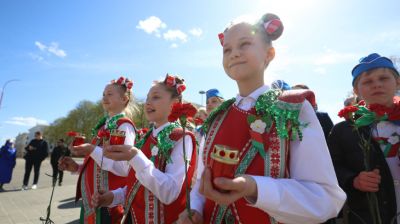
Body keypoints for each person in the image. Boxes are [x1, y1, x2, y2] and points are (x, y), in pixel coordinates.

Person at [178, 13, 346, 224]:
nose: (234, 54)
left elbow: (325, 199)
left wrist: (254, 187)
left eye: (244, 44)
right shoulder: (216, 118)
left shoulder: (292, 107)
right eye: (227, 49)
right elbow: (202, 184)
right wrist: (195, 209)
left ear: (269, 53)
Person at [91, 74, 197, 224]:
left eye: (155, 97)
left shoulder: (182, 138)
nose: (147, 103)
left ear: (176, 102)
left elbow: (170, 193)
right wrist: (113, 197)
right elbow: (138, 185)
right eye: (147, 98)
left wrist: (135, 156)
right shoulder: (147, 139)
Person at [329, 53, 400, 224]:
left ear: (397, 82)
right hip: (369, 216)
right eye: (368, 81)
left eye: (383, 78)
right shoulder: (344, 130)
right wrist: (353, 180)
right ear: (356, 90)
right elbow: (330, 168)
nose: (377, 84)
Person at [58, 76, 136, 224]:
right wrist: (76, 167)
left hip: (108, 204)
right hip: (93, 201)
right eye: (103, 94)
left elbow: (123, 168)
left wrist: (91, 149)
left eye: (110, 94)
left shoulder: (124, 126)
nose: (104, 97)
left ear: (124, 99)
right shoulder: (103, 127)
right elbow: (98, 166)